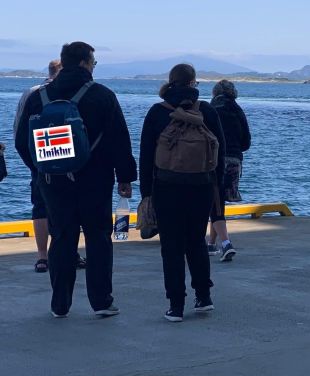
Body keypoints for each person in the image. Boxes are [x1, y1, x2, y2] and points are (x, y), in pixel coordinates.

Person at [14, 42, 136, 318]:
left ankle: (60, 304)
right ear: (83, 63)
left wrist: (39, 171)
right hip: (96, 179)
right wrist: (125, 177)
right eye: (93, 62)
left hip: (53, 182)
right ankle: (101, 301)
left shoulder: (39, 96)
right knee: (98, 237)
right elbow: (119, 139)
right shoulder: (103, 95)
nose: (94, 66)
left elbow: (22, 141)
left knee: (62, 238)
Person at [139, 64, 225, 322]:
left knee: (171, 246)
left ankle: (176, 305)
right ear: (193, 83)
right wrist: (215, 186)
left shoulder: (157, 112)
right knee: (196, 241)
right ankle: (204, 297)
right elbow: (220, 151)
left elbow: (145, 157)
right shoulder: (207, 110)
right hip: (201, 186)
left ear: (170, 82)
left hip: (167, 186)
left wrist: (147, 193)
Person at [12, 59, 86, 273]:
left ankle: (42, 257)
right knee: (72, 208)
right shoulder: (74, 92)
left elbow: (19, 130)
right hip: (71, 162)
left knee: (41, 206)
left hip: (41, 160)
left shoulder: (32, 93)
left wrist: (33, 165)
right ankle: (70, 253)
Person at [206, 79, 251, 261]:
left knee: (214, 201)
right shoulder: (238, 110)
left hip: (215, 160)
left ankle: (226, 244)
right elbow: (246, 142)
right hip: (234, 161)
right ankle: (211, 244)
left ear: (215, 92)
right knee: (218, 202)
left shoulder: (211, 109)